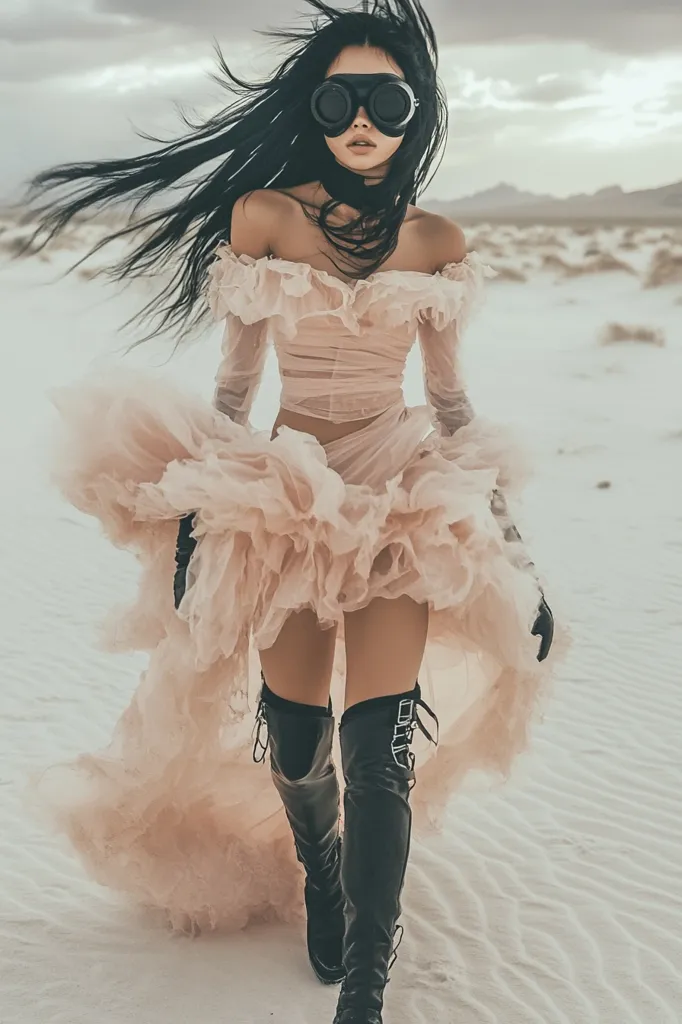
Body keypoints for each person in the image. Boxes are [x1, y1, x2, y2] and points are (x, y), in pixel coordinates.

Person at [20, 2, 561, 1022]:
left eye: (385, 99)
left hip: (402, 493)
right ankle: (320, 874)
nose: (362, 119)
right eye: (340, 98)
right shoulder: (263, 218)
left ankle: (366, 972)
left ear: (415, 114)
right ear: (314, 111)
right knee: (299, 737)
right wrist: (196, 521)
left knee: (377, 745)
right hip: (288, 490)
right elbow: (233, 388)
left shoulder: (436, 239)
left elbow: (447, 404)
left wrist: (515, 548)